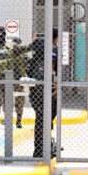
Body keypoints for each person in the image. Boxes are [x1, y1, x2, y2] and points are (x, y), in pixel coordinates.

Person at [29, 28, 59, 158]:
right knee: (45, 121)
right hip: (47, 92)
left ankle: (41, 149)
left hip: (37, 92)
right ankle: (43, 149)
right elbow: (56, 68)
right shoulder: (52, 50)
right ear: (56, 38)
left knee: (41, 120)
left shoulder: (35, 57)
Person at [9, 37, 31, 128]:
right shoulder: (24, 55)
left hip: (9, 79)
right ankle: (18, 121)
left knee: (7, 99)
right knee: (20, 101)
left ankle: (7, 119)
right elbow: (28, 66)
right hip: (20, 80)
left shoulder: (8, 53)